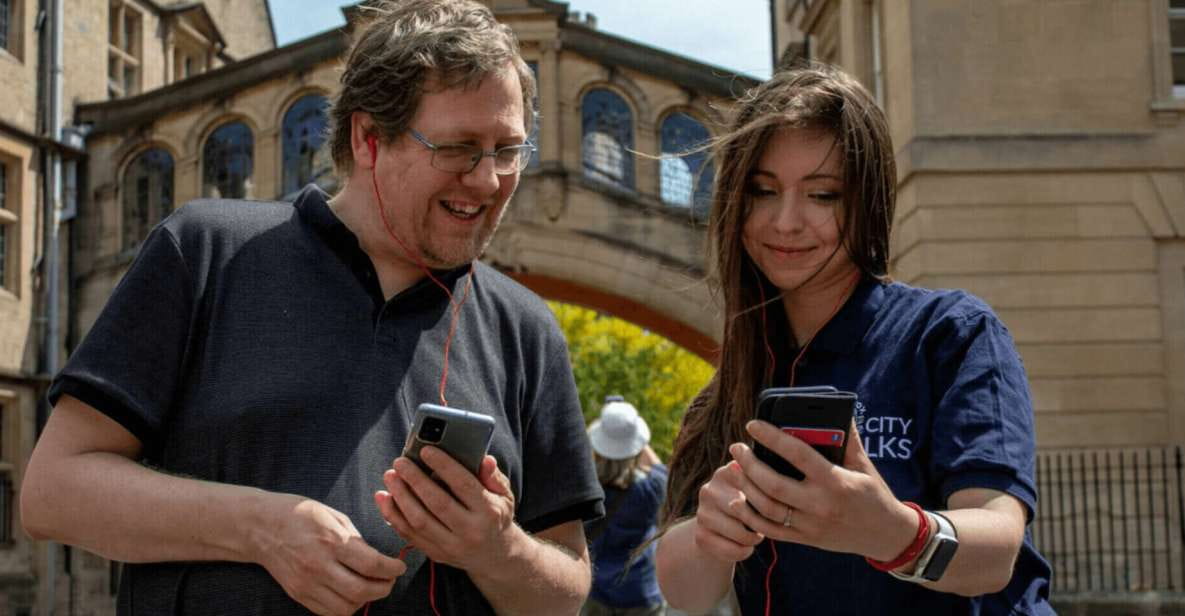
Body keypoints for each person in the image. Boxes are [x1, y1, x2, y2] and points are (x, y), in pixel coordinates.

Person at [19, 1, 603, 614]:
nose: (488, 180)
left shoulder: (527, 329)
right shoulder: (208, 252)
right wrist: (262, 528)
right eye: (458, 148)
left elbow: (567, 588)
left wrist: (496, 547)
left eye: (508, 150)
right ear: (368, 137)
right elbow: (53, 492)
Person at [653, 64, 1054, 615]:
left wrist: (892, 531)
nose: (785, 221)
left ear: (866, 202)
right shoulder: (729, 391)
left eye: (822, 195)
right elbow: (685, 594)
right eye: (762, 190)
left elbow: (996, 551)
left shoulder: (949, 335)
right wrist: (712, 531)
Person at [583, 396, 668, 616]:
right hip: (639, 590)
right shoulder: (652, 487)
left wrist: (608, 427)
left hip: (595, 590)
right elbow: (660, 468)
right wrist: (630, 435)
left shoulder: (586, 489)